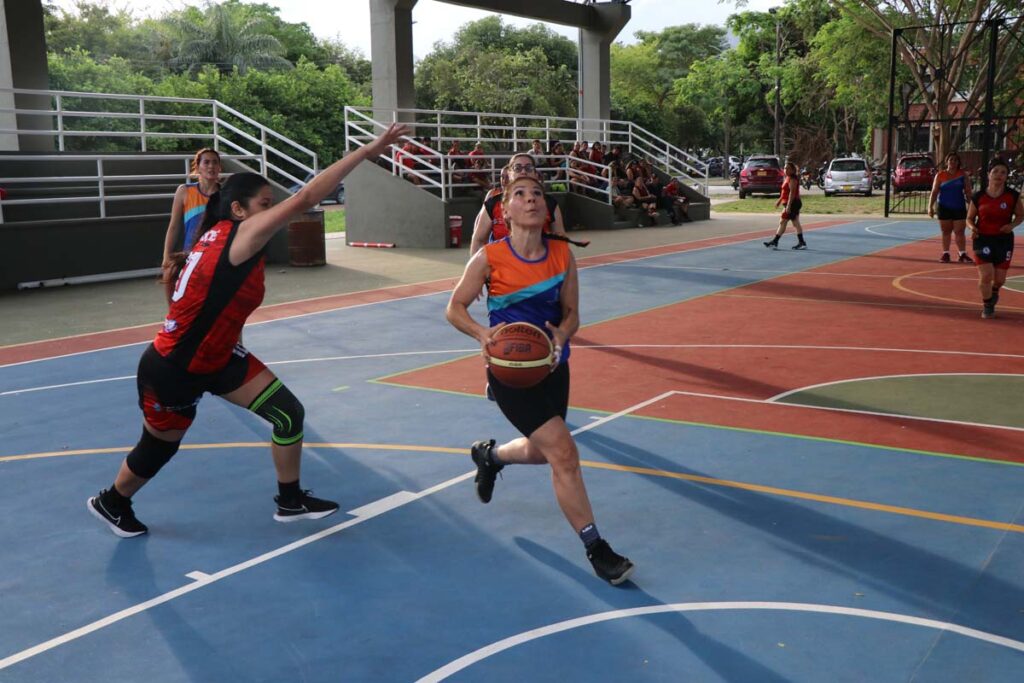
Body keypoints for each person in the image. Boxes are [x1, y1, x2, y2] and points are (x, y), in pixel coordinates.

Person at [87, 123, 410, 538]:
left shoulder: (220, 235)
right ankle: (112, 501)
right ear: (239, 210)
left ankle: (290, 502)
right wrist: (368, 150)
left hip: (217, 358)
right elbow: (309, 196)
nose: (272, 211)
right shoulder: (237, 236)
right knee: (159, 446)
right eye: (264, 203)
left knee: (287, 413)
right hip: (174, 367)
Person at [446, 175, 635, 585]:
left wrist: (562, 335)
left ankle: (490, 456)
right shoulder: (489, 258)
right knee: (564, 453)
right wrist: (482, 334)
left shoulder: (563, 255)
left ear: (546, 211)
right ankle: (597, 548)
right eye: (520, 194)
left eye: (537, 195)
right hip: (509, 374)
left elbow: (572, 314)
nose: (530, 199)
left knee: (541, 452)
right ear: (505, 210)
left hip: (553, 366)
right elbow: (454, 308)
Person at [467, 153, 566, 257]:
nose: (523, 172)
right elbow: (478, 240)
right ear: (509, 173)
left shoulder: (549, 203)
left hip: (539, 269)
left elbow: (561, 241)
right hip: (501, 268)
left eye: (528, 168)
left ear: (535, 173)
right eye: (517, 168)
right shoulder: (493, 203)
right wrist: (480, 269)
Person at [966, 158, 1023, 319]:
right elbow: (969, 218)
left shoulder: (1012, 195)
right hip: (982, 239)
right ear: (989, 174)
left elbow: (1020, 215)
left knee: (999, 279)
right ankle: (987, 305)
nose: (999, 175)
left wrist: (1011, 226)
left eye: (1003, 172)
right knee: (986, 275)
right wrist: (972, 227)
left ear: (1006, 176)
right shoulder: (979, 196)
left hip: (1003, 241)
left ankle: (995, 290)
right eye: (995, 171)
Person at [161, 148, 222, 297]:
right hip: (191, 254)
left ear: (220, 168)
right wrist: (166, 256)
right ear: (198, 167)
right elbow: (174, 227)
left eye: (215, 162)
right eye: (206, 162)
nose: (211, 166)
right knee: (174, 283)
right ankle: (174, 319)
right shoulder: (184, 191)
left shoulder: (226, 194)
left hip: (217, 255)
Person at [929, 152, 973, 263]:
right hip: (944, 207)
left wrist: (972, 206)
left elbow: (968, 192)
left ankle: (962, 254)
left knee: (959, 231)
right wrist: (930, 207)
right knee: (946, 231)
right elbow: (934, 192)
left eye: (955, 160)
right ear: (947, 161)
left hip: (959, 206)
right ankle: (946, 253)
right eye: (951, 159)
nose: (952, 162)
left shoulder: (963, 175)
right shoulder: (940, 175)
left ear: (958, 162)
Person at [764, 161, 806, 250]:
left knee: (792, 222)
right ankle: (776, 241)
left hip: (793, 203)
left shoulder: (793, 179)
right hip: (789, 203)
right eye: (785, 168)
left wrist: (789, 206)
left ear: (792, 170)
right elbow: (784, 192)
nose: (785, 169)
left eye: (788, 168)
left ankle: (801, 242)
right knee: (785, 222)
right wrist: (779, 201)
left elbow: (792, 193)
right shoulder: (787, 178)